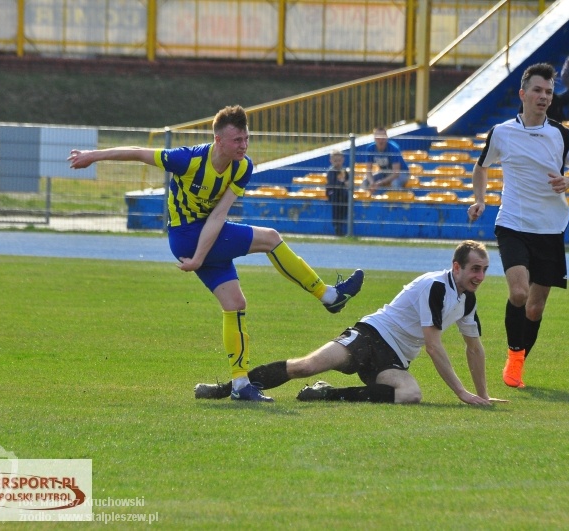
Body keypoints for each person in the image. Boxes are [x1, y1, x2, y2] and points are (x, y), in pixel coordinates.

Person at [67, 104, 365, 402]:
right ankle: (328, 295)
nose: (243, 145)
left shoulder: (242, 166)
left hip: (207, 236)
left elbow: (219, 214)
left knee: (235, 304)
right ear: (218, 140)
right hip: (186, 237)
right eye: (237, 140)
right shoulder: (187, 159)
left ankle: (240, 384)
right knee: (271, 239)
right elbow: (137, 152)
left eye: (246, 139)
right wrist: (93, 156)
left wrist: (200, 257)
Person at [195, 240, 508, 406]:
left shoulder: (467, 299)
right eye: (475, 269)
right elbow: (433, 346)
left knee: (410, 394)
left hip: (394, 359)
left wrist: (481, 395)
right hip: (370, 336)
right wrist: (461, 393)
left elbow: (474, 349)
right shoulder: (436, 286)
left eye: (484, 269)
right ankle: (224, 390)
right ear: (457, 267)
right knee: (305, 366)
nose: (480, 276)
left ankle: (326, 394)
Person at [467, 63, 569, 389]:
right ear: (523, 94)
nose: (543, 96)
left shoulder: (563, 135)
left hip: (550, 229)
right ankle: (513, 357)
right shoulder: (501, 132)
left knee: (535, 308)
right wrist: (480, 199)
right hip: (512, 223)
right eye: (537, 90)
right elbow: (481, 167)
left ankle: (520, 361)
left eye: (549, 92)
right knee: (519, 293)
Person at [360, 126, 410, 192]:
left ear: (386, 138)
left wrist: (380, 182)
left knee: (395, 183)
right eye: (378, 138)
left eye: (383, 138)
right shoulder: (370, 149)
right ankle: (365, 198)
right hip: (385, 172)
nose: (380, 141)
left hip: (402, 173)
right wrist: (372, 182)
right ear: (374, 138)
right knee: (365, 181)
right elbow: (368, 171)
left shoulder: (394, 149)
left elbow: (396, 173)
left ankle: (398, 197)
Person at [325, 150, 350, 236]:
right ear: (331, 161)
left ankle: (341, 224)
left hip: (342, 193)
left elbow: (348, 180)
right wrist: (343, 183)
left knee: (345, 199)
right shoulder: (331, 171)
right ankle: (337, 226)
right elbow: (333, 184)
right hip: (333, 192)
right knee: (336, 205)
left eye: (339, 160)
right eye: (335, 161)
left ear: (343, 160)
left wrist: (346, 183)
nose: (337, 163)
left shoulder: (344, 170)